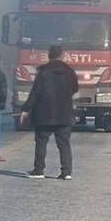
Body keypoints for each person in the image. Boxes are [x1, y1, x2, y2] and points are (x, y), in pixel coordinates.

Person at [21, 45, 79, 180]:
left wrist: (25, 109)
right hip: (64, 113)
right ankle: (67, 172)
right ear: (62, 55)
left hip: (44, 113)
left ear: (49, 55)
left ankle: (39, 170)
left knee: (41, 142)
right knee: (64, 144)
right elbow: (75, 89)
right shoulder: (70, 72)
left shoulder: (43, 72)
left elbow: (35, 93)